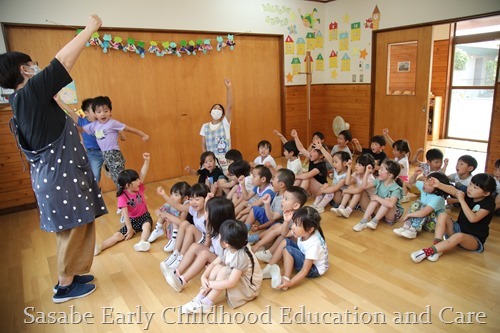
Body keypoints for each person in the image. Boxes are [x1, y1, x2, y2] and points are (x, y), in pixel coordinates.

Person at [0, 14, 107, 303]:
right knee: (73, 230)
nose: (36, 68)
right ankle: (64, 286)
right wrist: (90, 28)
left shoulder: (22, 102)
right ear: (24, 69)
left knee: (72, 227)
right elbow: (63, 62)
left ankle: (70, 274)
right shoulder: (31, 92)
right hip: (60, 178)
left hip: (55, 178)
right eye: (32, 64)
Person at [180, 219, 262, 313]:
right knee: (218, 267)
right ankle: (201, 297)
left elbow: (231, 282)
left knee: (224, 271)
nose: (218, 236)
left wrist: (209, 284)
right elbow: (214, 263)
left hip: (250, 288)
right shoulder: (231, 247)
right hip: (239, 279)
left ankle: (207, 303)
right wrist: (204, 277)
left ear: (226, 243)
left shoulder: (241, 257)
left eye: (220, 235)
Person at [411, 173, 496, 263]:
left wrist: (462, 200)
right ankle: (438, 245)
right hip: (458, 229)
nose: (470, 188)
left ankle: (427, 252)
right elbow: (453, 190)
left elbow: (473, 218)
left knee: (459, 236)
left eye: (475, 188)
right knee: (443, 215)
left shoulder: (489, 204)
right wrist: (439, 185)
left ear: (486, 193)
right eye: (471, 184)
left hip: (473, 239)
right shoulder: (470, 195)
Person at [162, 196, 235, 292]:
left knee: (204, 254)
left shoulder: (226, 237)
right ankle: (176, 272)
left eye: (207, 211)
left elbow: (228, 260)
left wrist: (210, 264)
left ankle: (181, 281)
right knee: (195, 246)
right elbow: (207, 246)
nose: (205, 214)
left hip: (226, 265)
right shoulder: (214, 228)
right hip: (217, 257)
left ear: (216, 216)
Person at [82, 96, 149, 188]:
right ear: (95, 114)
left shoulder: (112, 123)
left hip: (114, 154)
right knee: (115, 178)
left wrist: (143, 135)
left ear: (110, 112)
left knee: (119, 178)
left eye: (106, 111)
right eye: (99, 112)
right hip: (105, 155)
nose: (103, 114)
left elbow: (129, 129)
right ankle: (124, 194)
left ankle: (127, 193)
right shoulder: (94, 125)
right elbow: (81, 129)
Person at [94, 153, 152, 254]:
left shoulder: (139, 188)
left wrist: (146, 161)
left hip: (144, 217)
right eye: (136, 180)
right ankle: (100, 247)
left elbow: (143, 173)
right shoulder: (122, 196)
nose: (139, 181)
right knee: (117, 236)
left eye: (139, 179)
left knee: (146, 226)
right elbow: (125, 214)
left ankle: (142, 242)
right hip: (132, 221)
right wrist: (129, 228)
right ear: (128, 185)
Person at [267, 206, 328, 290]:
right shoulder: (304, 231)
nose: (293, 227)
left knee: (288, 250)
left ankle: (285, 280)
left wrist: (290, 283)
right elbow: (284, 234)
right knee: (285, 241)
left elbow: (305, 270)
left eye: (297, 225)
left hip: (314, 270)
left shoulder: (314, 244)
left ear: (310, 229)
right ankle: (268, 267)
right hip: (306, 256)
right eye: (294, 222)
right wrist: (286, 221)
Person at [161, 183, 210, 269]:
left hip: (207, 244)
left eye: (197, 199)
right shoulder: (193, 209)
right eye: (191, 199)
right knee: (185, 223)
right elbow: (178, 206)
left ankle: (181, 258)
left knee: (190, 227)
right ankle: (175, 253)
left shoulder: (208, 213)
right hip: (198, 238)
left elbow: (210, 235)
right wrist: (163, 195)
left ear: (206, 200)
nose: (193, 202)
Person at [253, 186, 308, 261]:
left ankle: (268, 253)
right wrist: (267, 204)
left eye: (286, 199)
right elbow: (271, 217)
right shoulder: (289, 211)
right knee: (277, 226)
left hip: (298, 248)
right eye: (283, 197)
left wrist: (257, 245)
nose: (282, 201)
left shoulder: (298, 218)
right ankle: (260, 244)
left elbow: (280, 232)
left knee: (281, 233)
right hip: (290, 238)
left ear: (296, 206)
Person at [393, 171, 450, 239]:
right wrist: (415, 174)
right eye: (426, 181)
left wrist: (409, 214)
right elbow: (411, 182)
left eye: (429, 184)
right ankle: (406, 226)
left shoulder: (438, 198)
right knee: (417, 203)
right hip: (423, 221)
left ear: (437, 190)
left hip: (433, 224)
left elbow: (424, 212)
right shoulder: (424, 187)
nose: (425, 184)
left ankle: (413, 230)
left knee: (422, 206)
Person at [246, 168, 295, 243]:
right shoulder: (277, 193)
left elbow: (273, 218)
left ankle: (251, 239)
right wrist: (260, 227)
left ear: (281, 184)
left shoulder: (283, 200)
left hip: (278, 226)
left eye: (274, 178)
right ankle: (244, 231)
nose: (271, 180)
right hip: (271, 221)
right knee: (255, 209)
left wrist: (266, 204)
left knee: (274, 227)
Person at [353, 160, 404, 231]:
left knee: (385, 200)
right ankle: (363, 221)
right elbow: (364, 186)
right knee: (375, 200)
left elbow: (391, 204)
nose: (379, 170)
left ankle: (374, 221)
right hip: (379, 212)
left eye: (382, 169)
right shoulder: (379, 181)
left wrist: (377, 198)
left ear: (389, 175)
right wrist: (367, 172)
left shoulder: (396, 188)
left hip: (391, 215)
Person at [200, 78, 233, 172]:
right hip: (211, 162)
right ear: (210, 112)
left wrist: (229, 88)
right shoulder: (205, 126)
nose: (217, 110)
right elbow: (203, 145)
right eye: (215, 108)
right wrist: (207, 161)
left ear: (223, 114)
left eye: (219, 109)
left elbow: (229, 106)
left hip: (225, 161)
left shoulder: (225, 124)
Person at [148, 181, 191, 251]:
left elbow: (181, 222)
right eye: (171, 194)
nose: (172, 197)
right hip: (171, 230)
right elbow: (158, 210)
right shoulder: (171, 203)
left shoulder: (186, 205)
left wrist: (167, 215)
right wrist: (160, 213)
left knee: (173, 218)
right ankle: (158, 229)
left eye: (176, 195)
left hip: (182, 234)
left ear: (185, 198)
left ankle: (175, 241)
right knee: (164, 211)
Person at [331, 154, 376, 218]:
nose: (356, 166)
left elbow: (359, 190)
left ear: (367, 168)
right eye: (357, 164)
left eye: (359, 165)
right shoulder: (357, 174)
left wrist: (346, 190)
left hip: (368, 204)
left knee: (358, 191)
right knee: (351, 187)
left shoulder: (370, 178)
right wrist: (349, 168)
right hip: (360, 201)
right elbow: (347, 182)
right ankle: (341, 207)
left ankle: (348, 211)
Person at [291, 129, 328, 197]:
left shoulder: (321, 165)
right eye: (311, 150)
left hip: (320, 192)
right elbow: (301, 148)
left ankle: (297, 196)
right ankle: (290, 192)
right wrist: (296, 137)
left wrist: (294, 176)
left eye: (314, 151)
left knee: (307, 177)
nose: (310, 152)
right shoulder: (312, 158)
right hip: (311, 189)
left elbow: (308, 175)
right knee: (301, 177)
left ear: (321, 155)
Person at [382, 128, 412, 202]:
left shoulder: (404, 161)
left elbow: (395, 168)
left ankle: (402, 195)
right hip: (397, 177)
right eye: (393, 150)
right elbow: (392, 144)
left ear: (403, 152)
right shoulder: (398, 156)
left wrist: (383, 166)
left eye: (395, 150)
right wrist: (386, 135)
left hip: (402, 180)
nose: (393, 152)